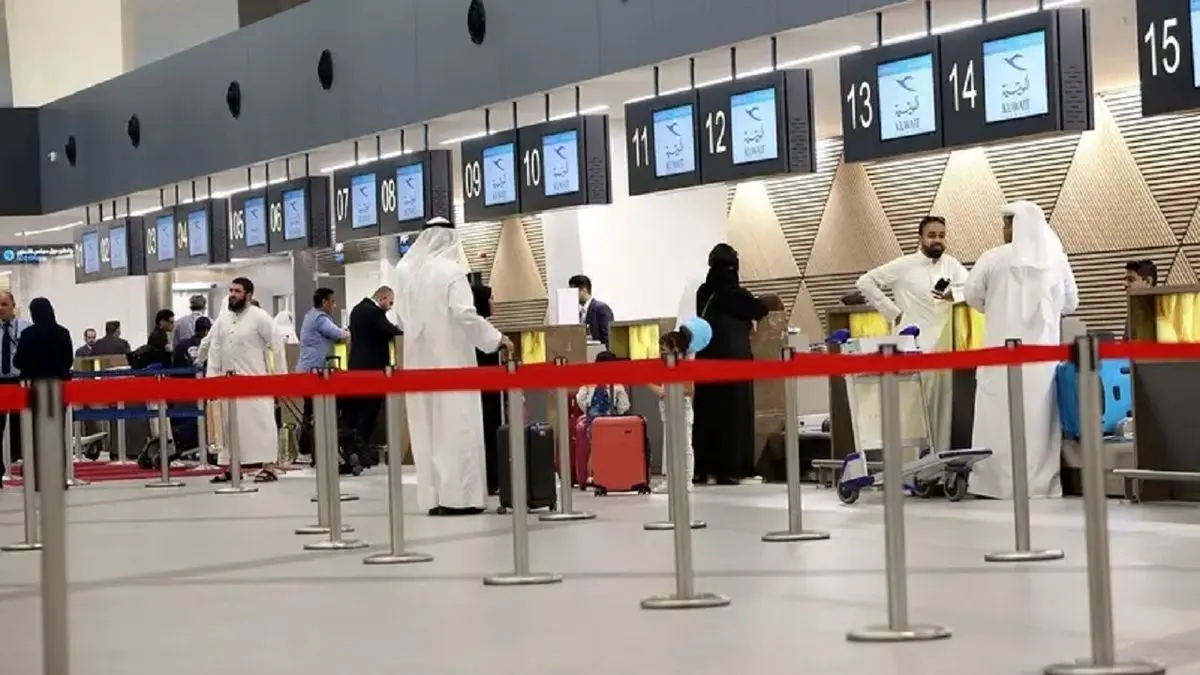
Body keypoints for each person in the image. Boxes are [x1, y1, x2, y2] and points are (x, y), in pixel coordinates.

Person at [393, 217, 511, 516]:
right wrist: (496, 338)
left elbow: (398, 319)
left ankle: (433, 498)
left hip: (418, 366)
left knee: (427, 430)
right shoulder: (451, 272)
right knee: (457, 427)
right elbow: (464, 315)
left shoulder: (407, 274)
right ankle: (460, 498)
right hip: (451, 362)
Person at [964, 201, 1078, 499]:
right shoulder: (1056, 260)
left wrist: (996, 305)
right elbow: (1071, 303)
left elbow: (972, 295)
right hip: (1041, 363)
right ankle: (1040, 485)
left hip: (1000, 356)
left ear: (1016, 226)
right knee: (1038, 424)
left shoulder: (992, 258)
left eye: (1006, 224)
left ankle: (994, 485)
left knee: (996, 420)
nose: (1003, 230)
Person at [855, 215, 970, 452]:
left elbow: (972, 288)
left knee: (940, 410)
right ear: (920, 238)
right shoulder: (904, 265)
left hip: (942, 348)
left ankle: (937, 462)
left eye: (941, 236)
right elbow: (865, 282)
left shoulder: (951, 265)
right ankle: (910, 466)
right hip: (912, 345)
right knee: (911, 411)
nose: (937, 240)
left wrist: (954, 295)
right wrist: (892, 312)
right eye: (932, 235)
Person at [691, 243, 768, 485]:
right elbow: (760, 308)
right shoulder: (735, 294)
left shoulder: (703, 293)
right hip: (734, 361)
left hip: (705, 359)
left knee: (706, 415)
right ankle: (731, 469)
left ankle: (703, 469)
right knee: (733, 415)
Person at [205, 277, 287, 483]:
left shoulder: (260, 317)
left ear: (248, 295)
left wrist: (280, 378)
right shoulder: (223, 319)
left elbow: (276, 345)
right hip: (227, 383)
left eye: (237, 291)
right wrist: (211, 380)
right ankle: (233, 468)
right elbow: (215, 349)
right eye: (231, 290)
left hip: (255, 382)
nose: (232, 295)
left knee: (262, 424)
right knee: (229, 426)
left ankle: (269, 467)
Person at [346, 286, 404, 460]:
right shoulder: (374, 312)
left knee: (357, 410)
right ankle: (362, 450)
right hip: (373, 369)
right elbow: (392, 332)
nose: (390, 307)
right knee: (369, 411)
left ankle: (353, 450)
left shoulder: (357, 310)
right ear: (383, 298)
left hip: (355, 366)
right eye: (390, 302)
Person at [297, 288, 349, 461]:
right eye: (332, 302)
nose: (334, 305)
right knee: (312, 411)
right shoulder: (320, 318)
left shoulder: (310, 315)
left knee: (309, 410)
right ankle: (307, 450)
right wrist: (349, 332)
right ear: (324, 302)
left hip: (307, 369)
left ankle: (307, 450)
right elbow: (338, 334)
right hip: (314, 371)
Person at [649, 330, 696, 494]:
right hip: (666, 407)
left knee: (685, 444)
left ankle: (687, 480)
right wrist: (658, 389)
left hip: (682, 408)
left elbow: (689, 390)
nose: (661, 353)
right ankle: (669, 479)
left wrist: (670, 390)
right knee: (668, 445)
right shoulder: (663, 366)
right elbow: (651, 381)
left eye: (664, 349)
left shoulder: (685, 366)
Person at [471, 282, 504, 496]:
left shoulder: (478, 327)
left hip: (484, 390)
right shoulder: (480, 329)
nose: (494, 303)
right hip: (486, 392)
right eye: (490, 299)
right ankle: (492, 478)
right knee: (489, 433)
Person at [0, 291, 30, 483]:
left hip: (20, 381)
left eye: (4, 304)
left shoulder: (26, 327)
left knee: (23, 425)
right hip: (0, 382)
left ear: (13, 305)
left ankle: (26, 465)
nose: (1, 308)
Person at [575, 351, 631, 420]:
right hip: (611, 418)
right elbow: (624, 404)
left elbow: (580, 398)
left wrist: (587, 411)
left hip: (592, 419)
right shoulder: (617, 383)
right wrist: (618, 413)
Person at [569, 274, 614, 348]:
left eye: (573, 293)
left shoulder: (601, 309)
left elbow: (608, 339)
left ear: (584, 290)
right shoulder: (577, 312)